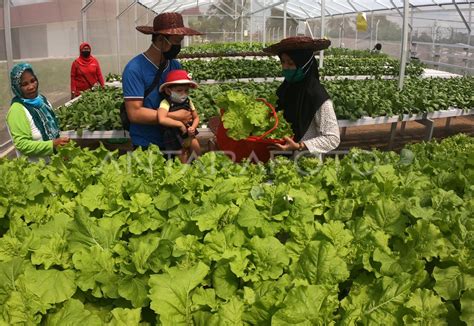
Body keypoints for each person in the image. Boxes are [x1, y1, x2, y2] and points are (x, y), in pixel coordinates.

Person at [122, 12, 202, 151]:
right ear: (160, 39)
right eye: (176, 41)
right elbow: (134, 113)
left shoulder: (174, 65)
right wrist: (174, 117)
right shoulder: (134, 69)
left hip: (174, 140)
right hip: (146, 143)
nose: (179, 46)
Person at [263, 36, 340, 159]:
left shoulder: (317, 95)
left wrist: (300, 146)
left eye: (291, 63)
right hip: (280, 159)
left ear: (305, 64)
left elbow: (333, 138)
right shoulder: (284, 90)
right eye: (283, 62)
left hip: (306, 163)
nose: (285, 67)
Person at [6, 63, 69, 159]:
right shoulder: (17, 110)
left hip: (55, 161)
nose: (31, 86)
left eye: (33, 81)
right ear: (17, 87)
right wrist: (52, 145)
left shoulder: (42, 101)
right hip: (36, 169)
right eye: (24, 84)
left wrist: (61, 150)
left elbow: (55, 130)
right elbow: (22, 144)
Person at [157, 69, 201, 162]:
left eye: (186, 90)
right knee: (182, 157)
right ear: (169, 91)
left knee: (197, 150)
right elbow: (161, 119)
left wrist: (193, 127)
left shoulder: (188, 101)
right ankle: (184, 172)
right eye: (179, 90)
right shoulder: (165, 103)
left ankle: (196, 167)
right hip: (174, 135)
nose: (183, 93)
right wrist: (179, 124)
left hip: (189, 134)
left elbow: (196, 117)